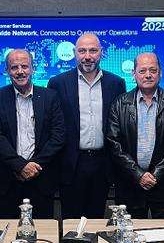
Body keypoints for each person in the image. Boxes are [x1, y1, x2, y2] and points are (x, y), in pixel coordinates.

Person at [47, 33, 125, 218]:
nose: (87, 56)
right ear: (75, 53)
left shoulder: (116, 83)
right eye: (82, 51)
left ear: (101, 52)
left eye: (93, 50)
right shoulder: (58, 83)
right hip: (71, 164)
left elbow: (119, 127)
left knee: (96, 219)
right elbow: (52, 125)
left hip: (102, 164)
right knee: (70, 221)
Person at [0, 48, 65, 217]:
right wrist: (20, 166)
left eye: (24, 66)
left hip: (41, 178)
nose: (20, 71)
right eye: (14, 67)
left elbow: (58, 136)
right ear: (7, 71)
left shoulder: (50, 97)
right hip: (7, 180)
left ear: (32, 69)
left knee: (43, 230)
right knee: (7, 229)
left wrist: (33, 166)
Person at [106, 52, 164, 217]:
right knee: (129, 230)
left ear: (160, 73)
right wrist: (139, 174)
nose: (148, 75)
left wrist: (156, 174)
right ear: (134, 74)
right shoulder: (120, 103)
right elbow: (114, 143)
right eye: (142, 71)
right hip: (130, 184)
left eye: (153, 70)